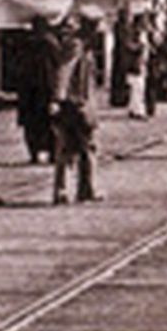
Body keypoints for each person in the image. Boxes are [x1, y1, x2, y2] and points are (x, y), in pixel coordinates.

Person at [50, 15, 99, 204]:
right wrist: (57, 99)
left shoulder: (81, 47)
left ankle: (80, 189)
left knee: (78, 147)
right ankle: (70, 190)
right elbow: (64, 71)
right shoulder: (76, 46)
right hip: (75, 103)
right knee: (76, 147)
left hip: (80, 103)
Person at [16, 16, 60, 163]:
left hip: (29, 89)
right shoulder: (51, 43)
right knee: (50, 122)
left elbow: (19, 67)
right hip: (46, 88)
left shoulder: (26, 44)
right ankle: (53, 154)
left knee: (32, 124)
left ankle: (35, 154)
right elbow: (57, 66)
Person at [122, 13, 149, 119]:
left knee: (138, 87)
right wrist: (139, 47)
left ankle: (133, 108)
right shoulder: (134, 33)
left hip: (142, 62)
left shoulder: (143, 33)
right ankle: (138, 111)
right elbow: (129, 45)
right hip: (135, 63)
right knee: (138, 87)